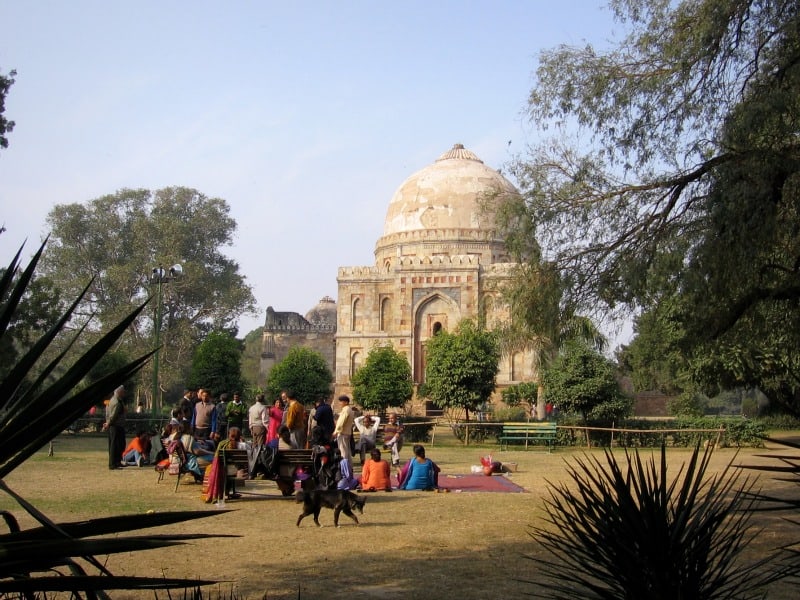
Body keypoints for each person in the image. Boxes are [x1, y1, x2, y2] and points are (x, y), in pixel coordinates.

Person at [102, 385, 127, 470]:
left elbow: (107, 413)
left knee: (118, 444)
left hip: (115, 426)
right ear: (119, 392)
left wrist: (107, 422)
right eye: (123, 391)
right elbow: (114, 415)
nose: (124, 392)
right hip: (116, 426)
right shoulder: (117, 402)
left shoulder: (113, 400)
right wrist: (108, 423)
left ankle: (117, 462)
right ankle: (113, 464)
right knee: (115, 445)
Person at [332, 395, 355, 461]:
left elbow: (341, 422)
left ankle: (344, 469)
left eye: (341, 401)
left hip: (342, 433)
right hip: (347, 433)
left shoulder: (346, 409)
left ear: (346, 402)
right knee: (347, 452)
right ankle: (349, 468)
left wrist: (336, 432)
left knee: (343, 452)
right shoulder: (349, 409)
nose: (340, 403)